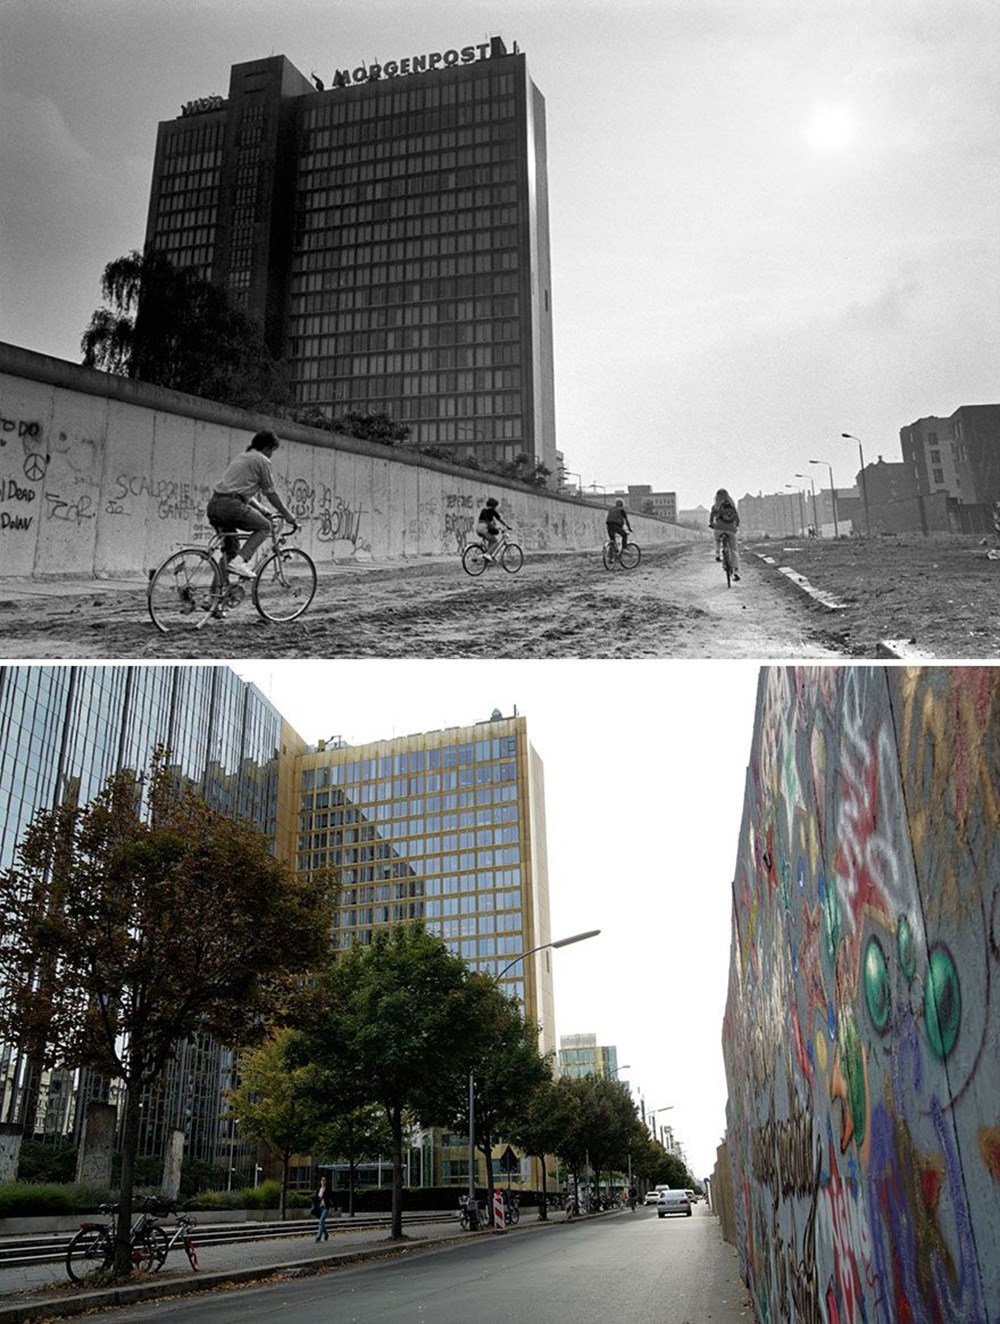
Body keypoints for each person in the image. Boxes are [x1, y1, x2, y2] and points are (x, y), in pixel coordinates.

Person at [207, 430, 299, 580]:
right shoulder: (262, 460)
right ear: (267, 448)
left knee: (230, 553)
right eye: (272, 451)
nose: (271, 455)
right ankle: (240, 562)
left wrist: (263, 510)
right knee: (265, 527)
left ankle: (213, 598)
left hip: (215, 505)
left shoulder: (242, 457)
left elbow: (241, 492)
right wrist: (288, 515)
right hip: (231, 507)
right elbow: (270, 492)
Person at [709, 488, 741, 581]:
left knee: (717, 539)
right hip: (731, 529)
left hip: (719, 528)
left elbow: (711, 518)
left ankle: (717, 554)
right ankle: (735, 571)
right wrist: (736, 526)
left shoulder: (715, 506)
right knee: (734, 550)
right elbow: (737, 519)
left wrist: (711, 524)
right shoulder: (732, 506)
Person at [312, 1174, 334, 1241]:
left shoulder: (328, 1189)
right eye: (322, 1180)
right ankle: (326, 1234)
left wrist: (333, 1206)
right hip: (320, 1208)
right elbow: (316, 1198)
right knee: (322, 1222)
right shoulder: (319, 1189)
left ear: (326, 1182)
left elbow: (332, 1197)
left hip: (325, 1207)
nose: (323, 1181)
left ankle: (318, 1237)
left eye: (324, 1180)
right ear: (320, 1182)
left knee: (321, 1221)